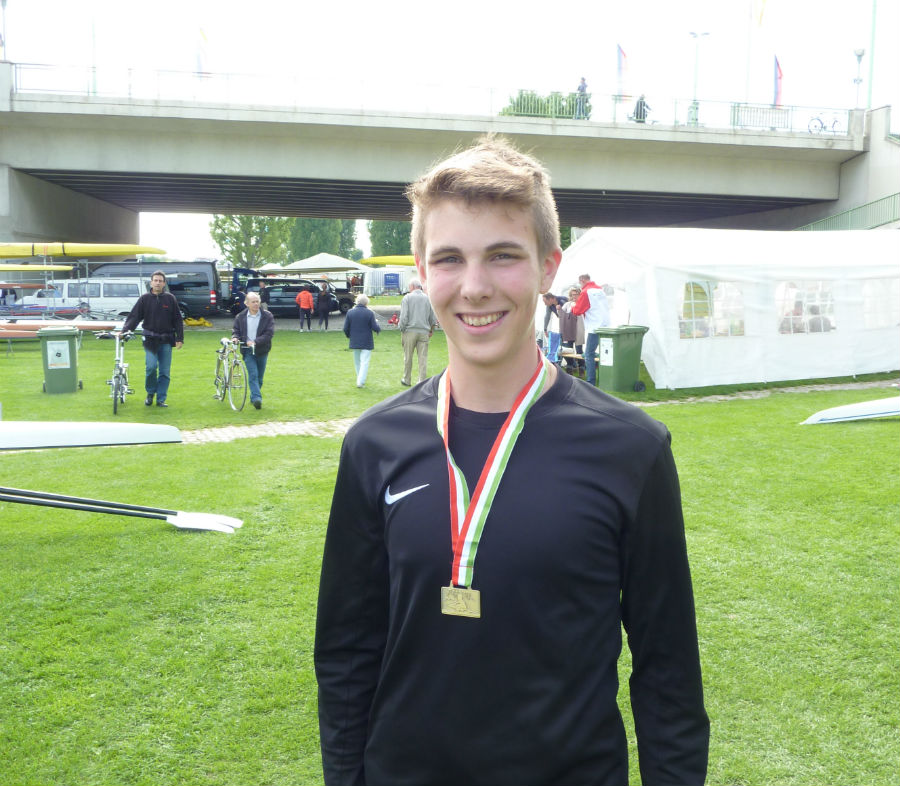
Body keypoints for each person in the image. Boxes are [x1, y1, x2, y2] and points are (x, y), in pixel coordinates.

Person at [315, 135, 709, 786]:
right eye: (449, 259)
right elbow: (346, 652)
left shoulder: (630, 448)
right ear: (422, 271)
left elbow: (667, 670)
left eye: (503, 256)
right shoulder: (374, 445)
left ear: (548, 268)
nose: (475, 288)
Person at [121, 269, 184, 408]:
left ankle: (161, 399)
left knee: (164, 372)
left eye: (160, 281)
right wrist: (124, 332)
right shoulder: (144, 299)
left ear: (164, 283)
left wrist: (179, 338)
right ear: (151, 283)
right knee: (151, 367)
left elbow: (177, 320)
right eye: (155, 280)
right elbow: (134, 317)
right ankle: (150, 393)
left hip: (166, 340)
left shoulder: (170, 299)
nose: (157, 283)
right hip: (149, 339)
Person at [231, 291, 275, 409]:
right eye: (253, 302)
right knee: (253, 374)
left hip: (262, 349)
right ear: (247, 304)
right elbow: (236, 330)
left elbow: (269, 333)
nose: (256, 304)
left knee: (260, 378)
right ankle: (257, 399)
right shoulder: (240, 317)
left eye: (257, 301)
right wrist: (235, 337)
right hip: (247, 350)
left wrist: (256, 342)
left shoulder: (267, 316)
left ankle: (253, 397)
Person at [571, 273, 611, 386]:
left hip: (595, 327)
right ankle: (607, 379)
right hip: (606, 326)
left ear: (582, 280)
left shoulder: (586, 292)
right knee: (606, 354)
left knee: (589, 354)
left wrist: (573, 306)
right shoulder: (600, 290)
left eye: (580, 283)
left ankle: (590, 382)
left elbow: (578, 311)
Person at [398, 278, 437, 387]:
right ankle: (421, 381)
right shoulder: (428, 298)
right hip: (424, 332)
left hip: (409, 331)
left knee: (408, 357)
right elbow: (432, 317)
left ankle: (407, 379)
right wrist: (431, 329)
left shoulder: (407, 298)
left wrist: (401, 328)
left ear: (412, 287)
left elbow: (404, 316)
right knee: (423, 358)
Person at [342, 293, 381, 388]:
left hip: (354, 340)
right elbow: (375, 327)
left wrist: (349, 336)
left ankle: (359, 379)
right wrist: (377, 324)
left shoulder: (350, 312)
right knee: (364, 362)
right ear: (366, 303)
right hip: (366, 341)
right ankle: (360, 381)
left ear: (357, 301)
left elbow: (345, 328)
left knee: (357, 362)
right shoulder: (369, 313)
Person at [541, 291, 561, 363]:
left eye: (545, 302)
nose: (545, 304)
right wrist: (545, 329)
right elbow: (547, 316)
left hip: (571, 324)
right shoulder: (549, 305)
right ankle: (570, 364)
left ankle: (580, 365)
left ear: (550, 299)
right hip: (562, 324)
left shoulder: (562, 300)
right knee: (562, 345)